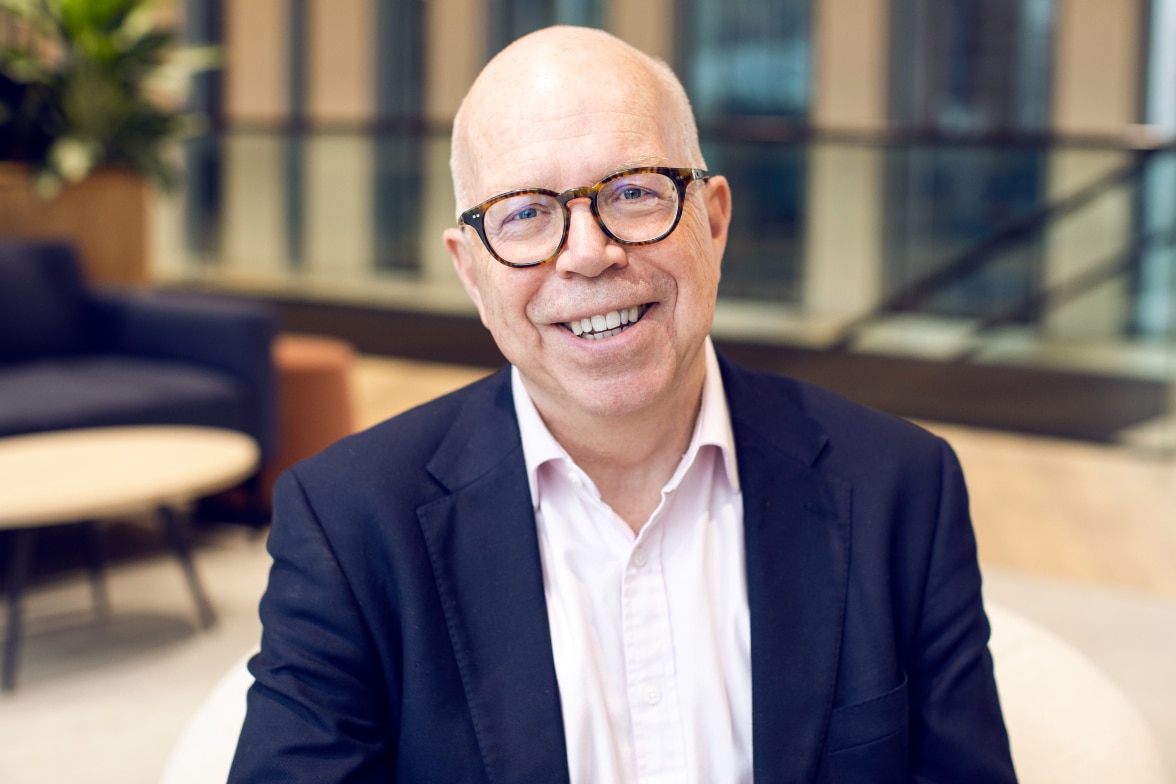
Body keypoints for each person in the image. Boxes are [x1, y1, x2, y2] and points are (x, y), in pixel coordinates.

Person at [228, 25, 1016, 784]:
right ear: (471, 273)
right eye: (527, 214)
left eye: (634, 192)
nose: (588, 253)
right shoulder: (350, 521)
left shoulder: (902, 489)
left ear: (713, 219)